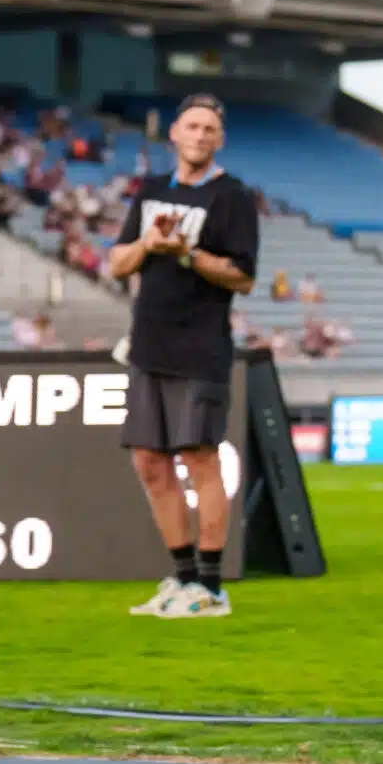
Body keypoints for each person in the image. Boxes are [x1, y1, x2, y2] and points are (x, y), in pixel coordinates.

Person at [107, 94, 258, 620]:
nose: (199, 135)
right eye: (192, 126)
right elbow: (117, 264)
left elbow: (244, 276)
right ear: (173, 133)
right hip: (149, 343)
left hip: (201, 344)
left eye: (209, 129)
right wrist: (149, 245)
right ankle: (183, 577)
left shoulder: (232, 197)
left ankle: (213, 587)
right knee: (148, 460)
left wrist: (189, 255)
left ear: (219, 140)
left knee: (199, 458)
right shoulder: (150, 191)